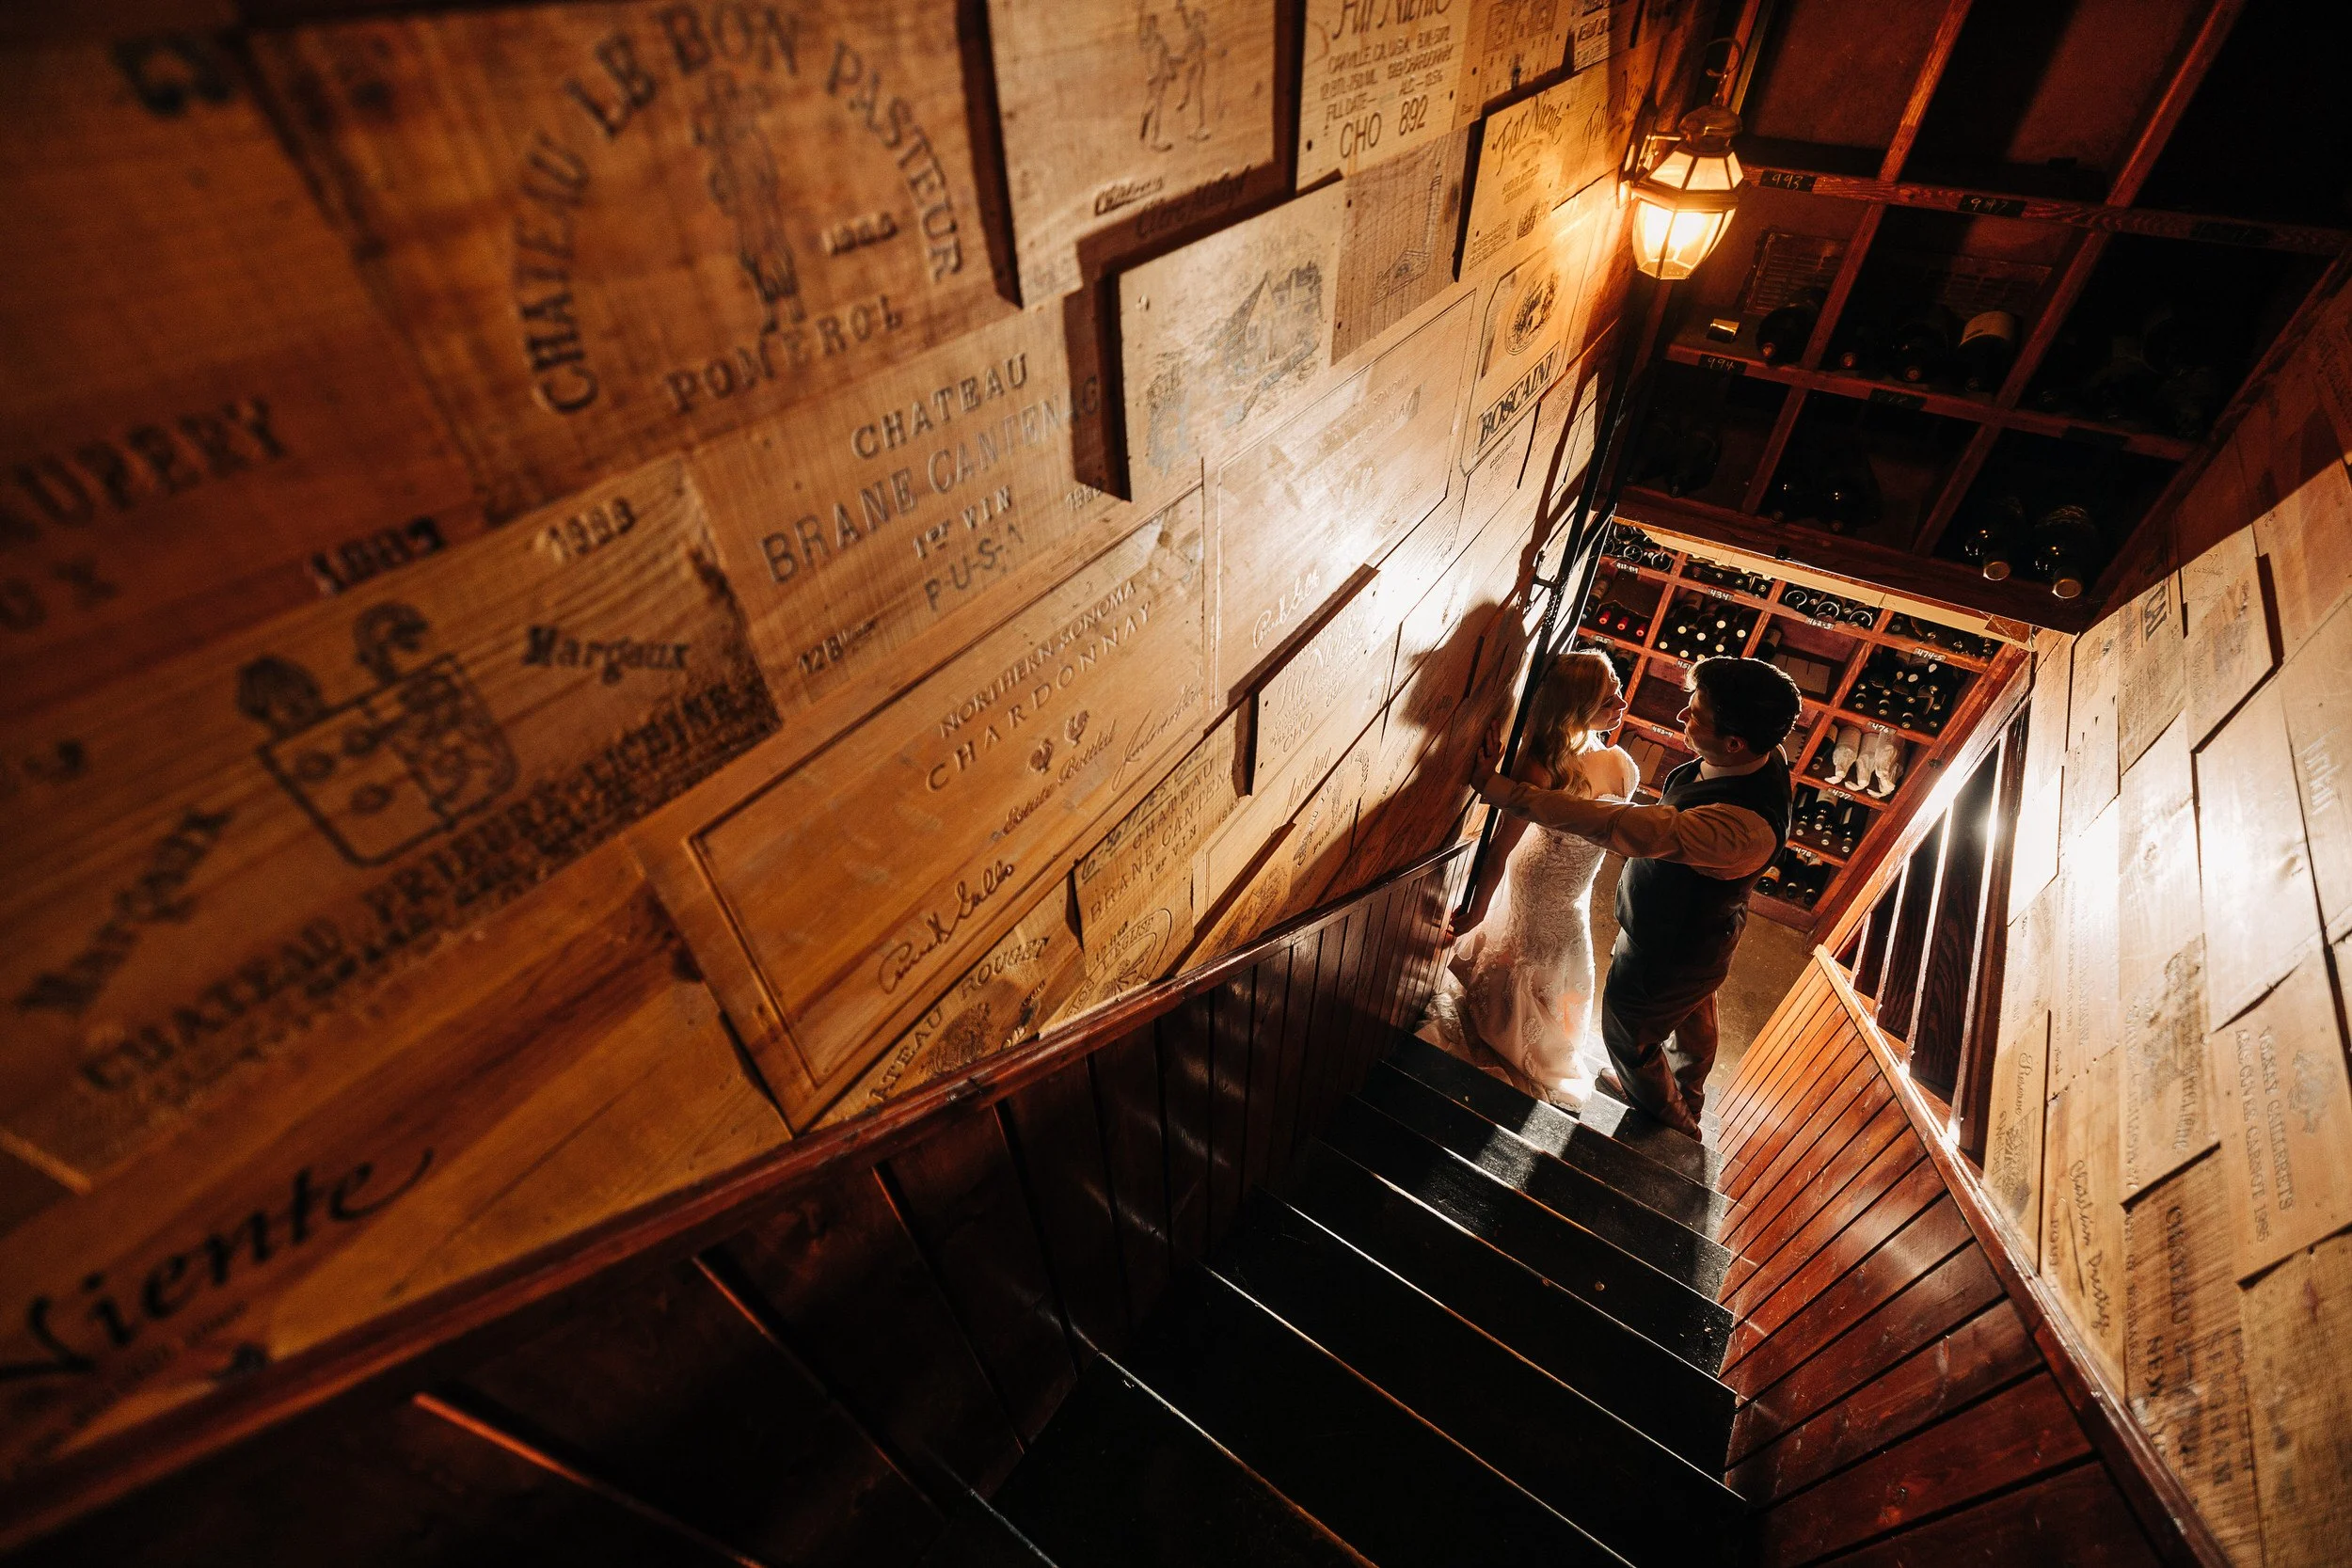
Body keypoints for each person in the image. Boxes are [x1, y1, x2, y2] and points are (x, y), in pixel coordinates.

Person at [1477, 655, 1800, 1136]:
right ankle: (1686, 1093)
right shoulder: (1762, 754)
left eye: (1696, 715)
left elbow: (1617, 825)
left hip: (1672, 942)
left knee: (1627, 1033)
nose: (1681, 717)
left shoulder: (1739, 831)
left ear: (1734, 742)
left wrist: (1500, 789)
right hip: (1702, 934)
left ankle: (1669, 1119)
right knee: (1692, 1016)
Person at [1419, 650, 1636, 1108]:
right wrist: (1478, 907)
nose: (1620, 703)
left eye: (1616, 688)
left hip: (1576, 887)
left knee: (1562, 959)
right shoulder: (1542, 765)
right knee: (1529, 955)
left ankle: (1539, 1028)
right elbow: (1499, 847)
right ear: (1574, 708)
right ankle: (1508, 1029)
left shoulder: (1611, 758)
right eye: (1605, 699)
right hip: (1537, 880)